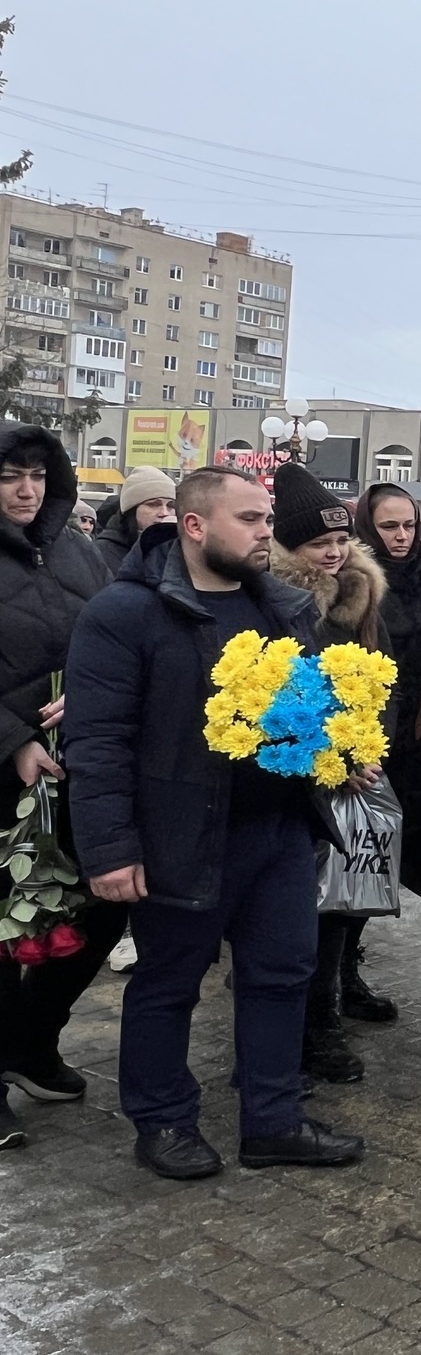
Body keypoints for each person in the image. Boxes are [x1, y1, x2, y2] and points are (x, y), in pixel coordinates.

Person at [66, 467, 365, 1179]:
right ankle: (163, 1120)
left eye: (267, 519)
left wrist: (337, 750)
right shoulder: (124, 612)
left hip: (279, 830)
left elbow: (298, 710)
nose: (267, 531)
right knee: (169, 983)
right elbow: (97, 740)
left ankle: (273, 1119)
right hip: (179, 832)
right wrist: (110, 850)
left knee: (282, 975)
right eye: (251, 519)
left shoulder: (281, 607)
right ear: (195, 526)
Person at [0, 423, 115, 1151]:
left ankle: (30, 1041)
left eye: (38, 476)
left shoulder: (78, 550)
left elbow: (110, 638)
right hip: (7, 768)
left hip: (75, 763)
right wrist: (12, 743)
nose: (25, 489)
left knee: (100, 908)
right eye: (10, 475)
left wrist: (90, 691)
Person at [266, 464, 389, 1088]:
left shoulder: (362, 590)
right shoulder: (278, 600)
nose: (336, 552)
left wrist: (366, 747)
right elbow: (274, 694)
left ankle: (334, 1004)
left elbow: (384, 675)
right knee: (306, 913)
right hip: (300, 773)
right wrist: (328, 759)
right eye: (320, 544)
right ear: (290, 548)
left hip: (359, 767)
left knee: (344, 903)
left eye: (341, 540)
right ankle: (314, 1029)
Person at [356, 482, 421, 908]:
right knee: (363, 848)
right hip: (373, 734)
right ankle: (342, 955)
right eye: (389, 526)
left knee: (409, 841)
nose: (402, 535)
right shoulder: (355, 583)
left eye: (410, 525)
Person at [91, 465, 177, 574]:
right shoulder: (100, 553)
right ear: (132, 510)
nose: (164, 513)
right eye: (153, 504)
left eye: (171, 505)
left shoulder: (180, 551)